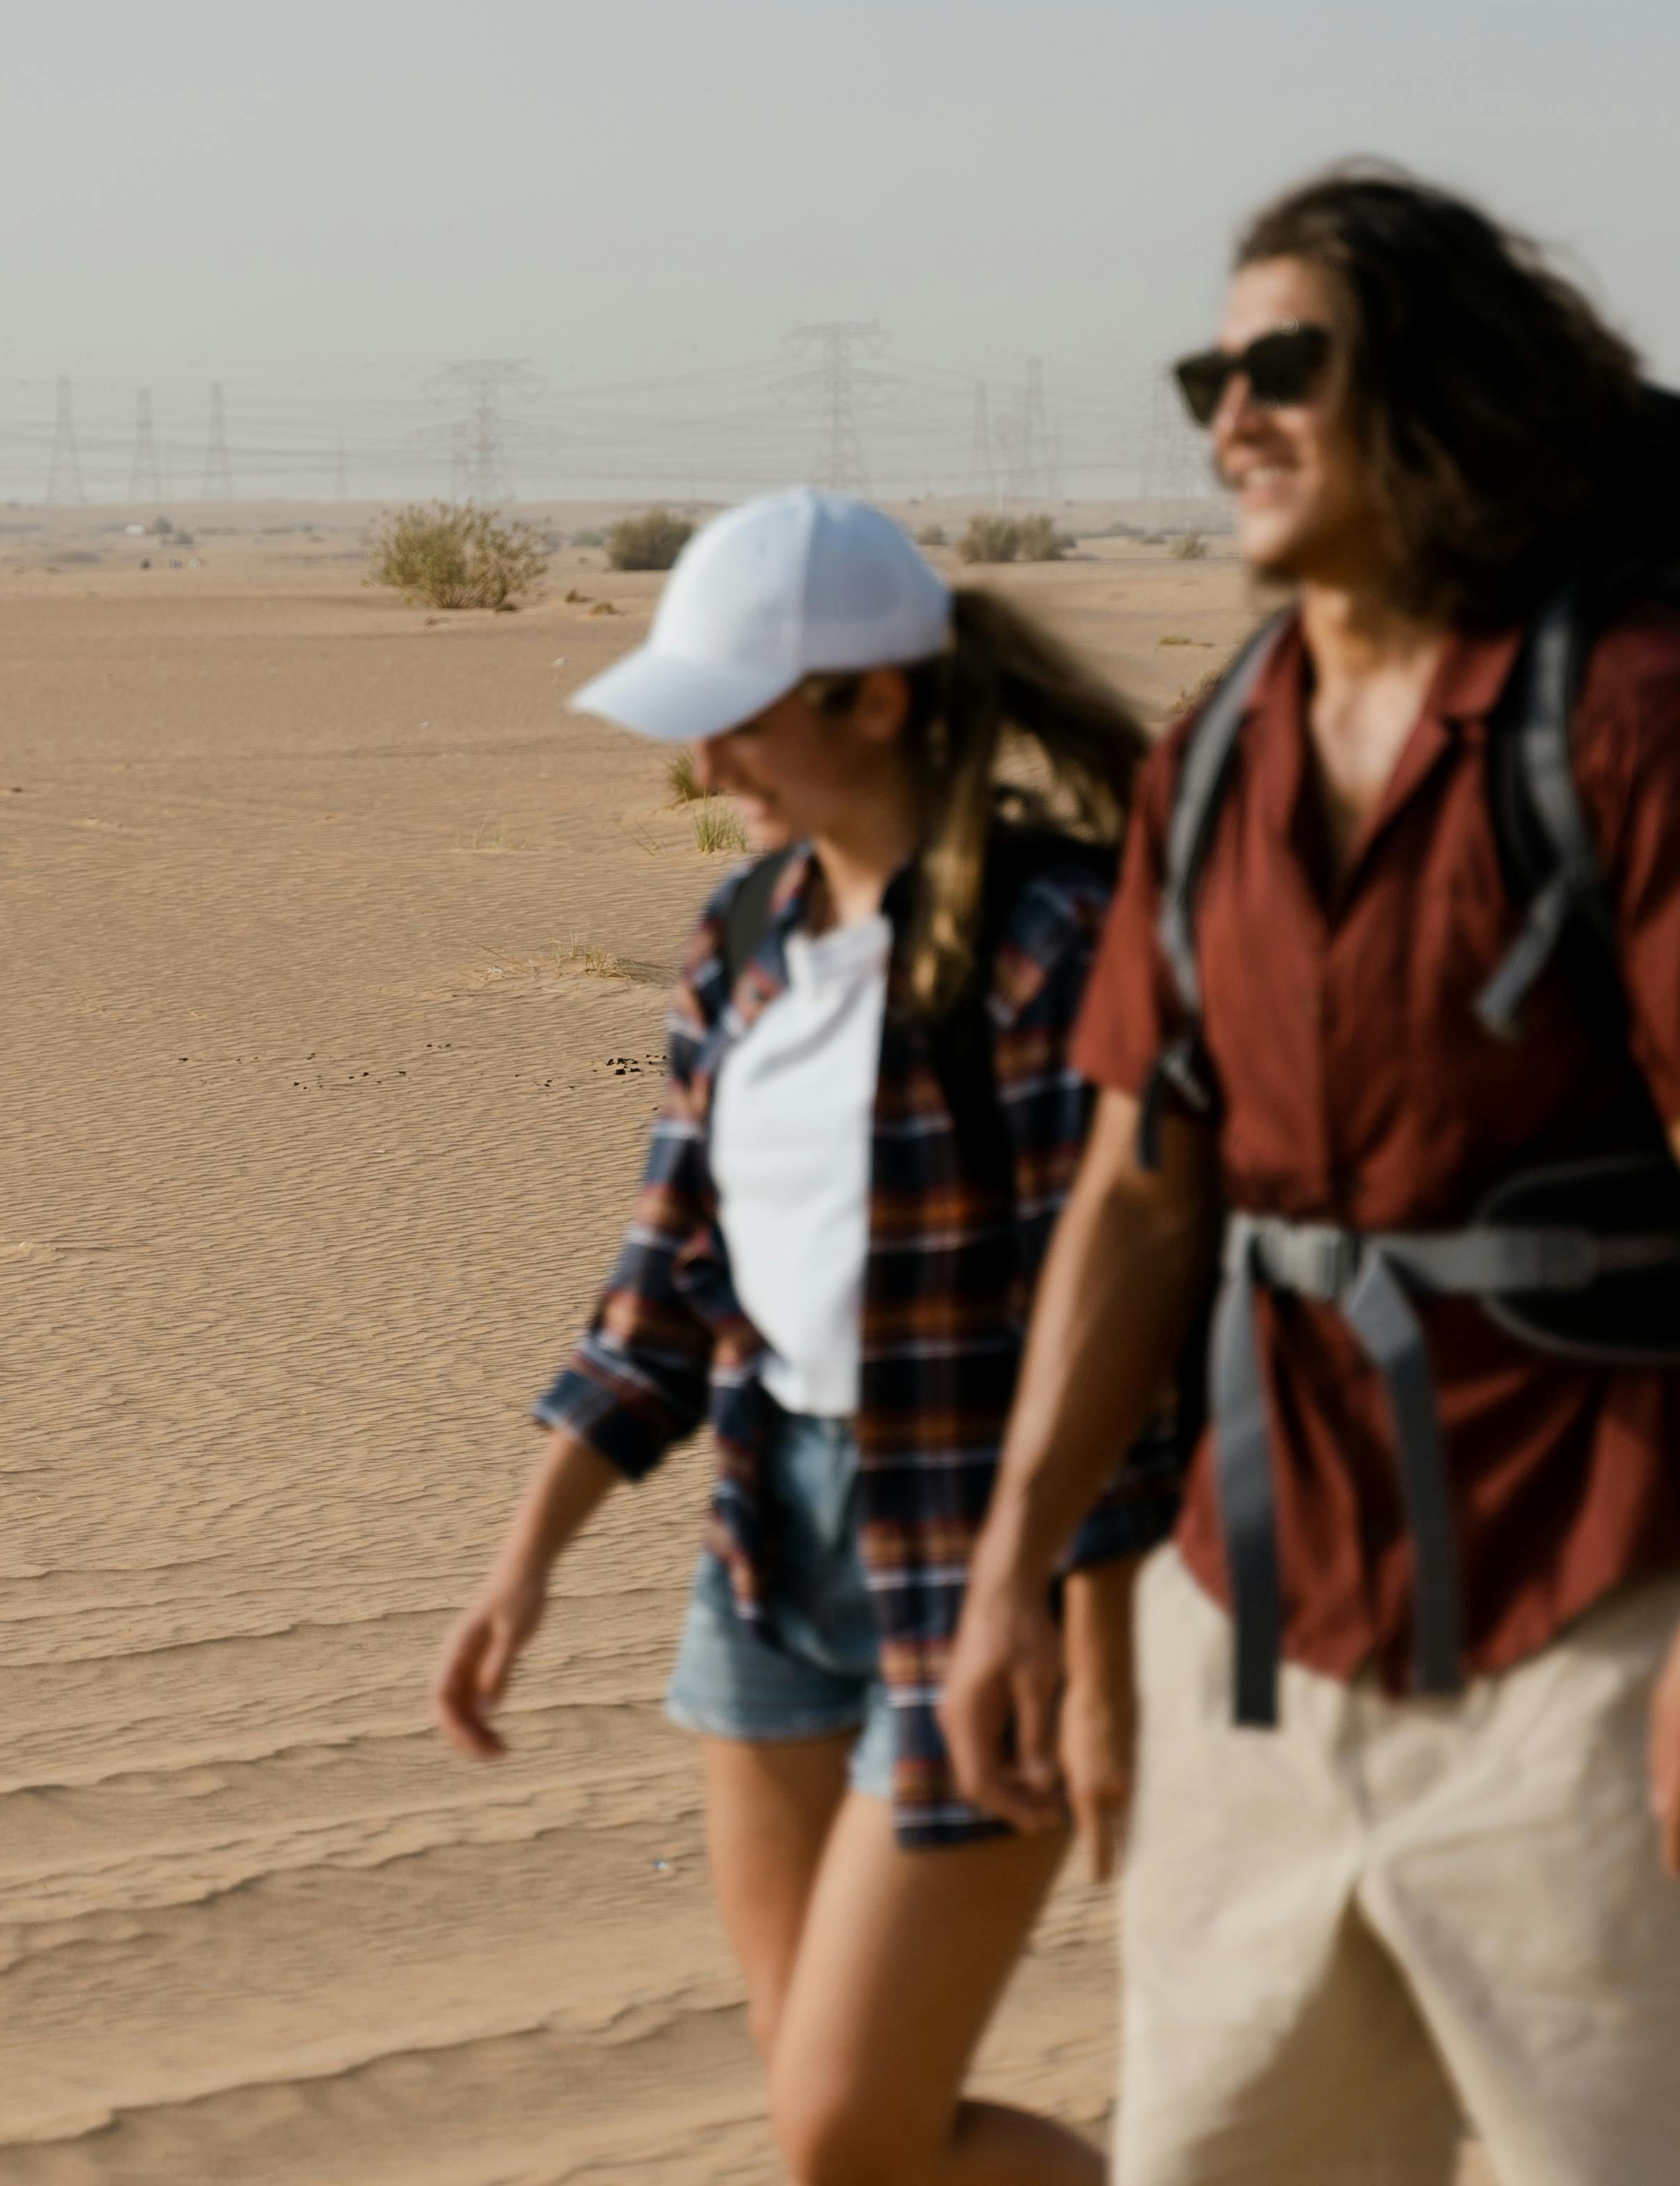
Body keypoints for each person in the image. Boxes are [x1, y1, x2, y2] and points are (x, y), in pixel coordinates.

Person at [937, 166, 1680, 2185]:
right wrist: (1010, 1575)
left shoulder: (1645, 720)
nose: (1230, 414)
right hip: (1250, 1631)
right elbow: (1137, 1197)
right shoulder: (1215, 758)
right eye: (1213, 369)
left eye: (1286, 364)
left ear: (1430, 393)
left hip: (1589, 1626)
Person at [431, 487, 1183, 2186]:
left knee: (849, 2129)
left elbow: (1132, 1302)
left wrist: (1088, 1620)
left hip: (991, 1554)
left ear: (880, 698)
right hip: (771, 1551)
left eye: (736, 723)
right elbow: (667, 1280)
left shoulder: (1053, 939)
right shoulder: (745, 936)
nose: (706, 771)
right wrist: (523, 1559)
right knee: (829, 2112)